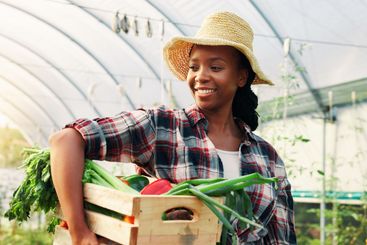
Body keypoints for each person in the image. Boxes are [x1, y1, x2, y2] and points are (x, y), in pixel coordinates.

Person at [49, 11, 296, 245]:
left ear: (241, 77)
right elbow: (66, 141)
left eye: (216, 67)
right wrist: (80, 233)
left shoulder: (268, 158)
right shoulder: (162, 127)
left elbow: (280, 238)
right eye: (194, 66)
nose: (201, 76)